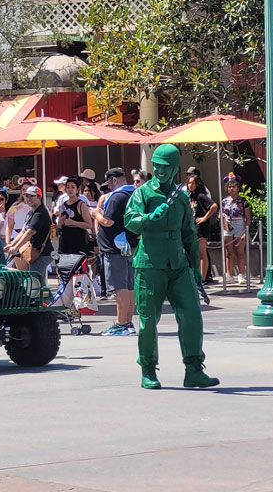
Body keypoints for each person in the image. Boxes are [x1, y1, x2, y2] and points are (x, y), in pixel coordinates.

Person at [124, 144, 219, 390]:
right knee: (148, 320)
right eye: (156, 166)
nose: (160, 170)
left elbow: (189, 232)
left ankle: (194, 369)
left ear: (175, 167)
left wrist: (196, 266)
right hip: (150, 263)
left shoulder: (181, 196)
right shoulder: (142, 193)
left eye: (165, 167)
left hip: (178, 264)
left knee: (192, 315)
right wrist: (148, 218)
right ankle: (148, 369)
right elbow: (130, 222)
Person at [94, 168, 136, 335]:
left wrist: (95, 213)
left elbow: (107, 221)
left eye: (109, 183)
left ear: (114, 180)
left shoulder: (118, 196)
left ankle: (121, 324)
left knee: (120, 288)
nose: (109, 187)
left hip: (116, 248)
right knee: (128, 286)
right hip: (128, 245)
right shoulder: (132, 194)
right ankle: (128, 322)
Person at [4, 185, 53, 278]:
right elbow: (19, 229)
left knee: (35, 281)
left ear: (39, 197)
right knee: (29, 278)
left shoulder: (40, 213)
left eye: (32, 196)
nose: (29, 198)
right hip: (25, 245)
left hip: (40, 252)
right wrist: (12, 244)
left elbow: (29, 232)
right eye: (27, 195)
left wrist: (16, 247)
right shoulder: (18, 208)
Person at [220, 175, 252, 286]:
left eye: (234, 186)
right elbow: (221, 214)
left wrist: (245, 231)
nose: (232, 189)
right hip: (227, 224)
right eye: (230, 187)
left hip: (239, 224)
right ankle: (229, 274)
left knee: (240, 252)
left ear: (238, 188)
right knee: (229, 251)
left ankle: (241, 274)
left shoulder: (243, 201)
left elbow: (248, 217)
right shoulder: (224, 201)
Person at [186, 173, 217, 284]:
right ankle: (197, 276)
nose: (190, 185)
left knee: (202, 252)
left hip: (201, 227)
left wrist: (204, 218)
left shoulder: (201, 196)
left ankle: (203, 278)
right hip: (192, 227)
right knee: (195, 253)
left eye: (193, 183)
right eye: (189, 183)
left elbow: (214, 206)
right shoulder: (190, 196)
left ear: (197, 184)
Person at [56, 177, 94, 255]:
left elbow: (89, 224)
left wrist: (73, 222)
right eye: (68, 187)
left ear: (77, 189)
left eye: (73, 187)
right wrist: (60, 223)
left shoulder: (81, 204)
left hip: (78, 240)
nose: (70, 189)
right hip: (65, 240)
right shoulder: (63, 204)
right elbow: (59, 223)